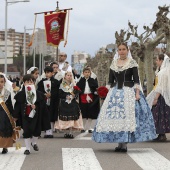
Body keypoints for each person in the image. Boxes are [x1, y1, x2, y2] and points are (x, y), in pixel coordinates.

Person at [92, 42, 156, 152]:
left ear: (127, 50)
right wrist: (105, 92)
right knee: (115, 117)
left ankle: (124, 144)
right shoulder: (113, 64)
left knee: (127, 117)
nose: (121, 51)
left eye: (123, 49)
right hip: (115, 92)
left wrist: (137, 93)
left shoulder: (132, 63)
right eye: (120, 49)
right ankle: (119, 143)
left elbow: (136, 81)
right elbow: (110, 81)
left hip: (128, 92)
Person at [13, 74, 51, 155]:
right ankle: (27, 149)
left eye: (31, 82)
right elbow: (17, 106)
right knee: (26, 131)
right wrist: (15, 116)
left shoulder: (39, 94)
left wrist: (35, 107)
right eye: (27, 82)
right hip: (25, 116)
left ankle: (33, 143)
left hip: (36, 116)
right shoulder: (20, 94)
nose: (29, 84)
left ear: (34, 83)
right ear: (24, 83)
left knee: (37, 131)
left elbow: (43, 107)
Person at [147, 54, 170, 141]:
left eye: (157, 60)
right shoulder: (165, 71)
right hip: (165, 95)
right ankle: (161, 134)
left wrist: (156, 98)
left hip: (161, 96)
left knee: (159, 115)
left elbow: (160, 87)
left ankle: (161, 135)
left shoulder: (162, 73)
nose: (156, 62)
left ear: (161, 61)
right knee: (164, 115)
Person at [55, 71, 83, 138]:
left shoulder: (73, 85)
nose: (69, 77)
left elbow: (76, 94)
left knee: (72, 118)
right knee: (65, 117)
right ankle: (66, 132)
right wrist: (66, 96)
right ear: (65, 76)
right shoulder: (62, 85)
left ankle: (70, 132)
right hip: (64, 103)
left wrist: (74, 95)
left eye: (70, 75)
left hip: (72, 103)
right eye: (68, 75)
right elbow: (60, 94)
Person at [37, 66, 60, 138]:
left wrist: (51, 94)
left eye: (48, 72)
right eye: (46, 72)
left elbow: (57, 92)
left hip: (53, 101)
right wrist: (44, 95)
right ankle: (44, 130)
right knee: (44, 115)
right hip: (44, 101)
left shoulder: (56, 82)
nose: (47, 74)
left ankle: (50, 131)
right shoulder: (41, 82)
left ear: (52, 73)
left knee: (52, 114)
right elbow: (39, 91)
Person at [0, 73, 19, 154]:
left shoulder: (7, 93)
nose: (0, 84)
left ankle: (5, 146)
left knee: (4, 129)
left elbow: (10, 105)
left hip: (4, 115)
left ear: (4, 83)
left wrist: (14, 115)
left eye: (1, 82)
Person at [77, 67, 100, 133]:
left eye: (88, 72)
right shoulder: (81, 81)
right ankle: (83, 127)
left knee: (91, 112)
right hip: (83, 97)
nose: (87, 74)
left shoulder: (93, 80)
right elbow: (78, 88)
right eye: (85, 72)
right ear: (83, 73)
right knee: (83, 112)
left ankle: (90, 127)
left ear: (90, 73)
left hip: (91, 97)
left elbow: (96, 88)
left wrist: (96, 92)